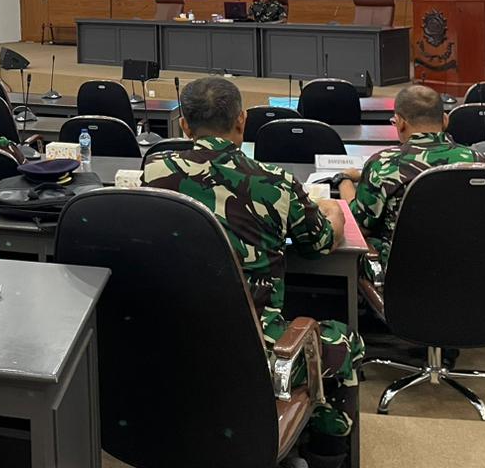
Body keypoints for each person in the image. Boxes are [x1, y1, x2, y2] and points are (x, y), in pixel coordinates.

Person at [142, 76, 362, 468]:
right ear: (242, 121)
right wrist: (331, 212)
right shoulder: (274, 183)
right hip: (255, 349)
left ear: (184, 126)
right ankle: (326, 455)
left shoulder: (154, 173)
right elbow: (318, 244)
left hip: (170, 342)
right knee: (343, 342)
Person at [338, 84, 483, 282]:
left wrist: (344, 180)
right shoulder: (479, 161)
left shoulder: (383, 164)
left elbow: (360, 225)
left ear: (400, 123)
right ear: (445, 120)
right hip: (473, 273)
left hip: (403, 279)